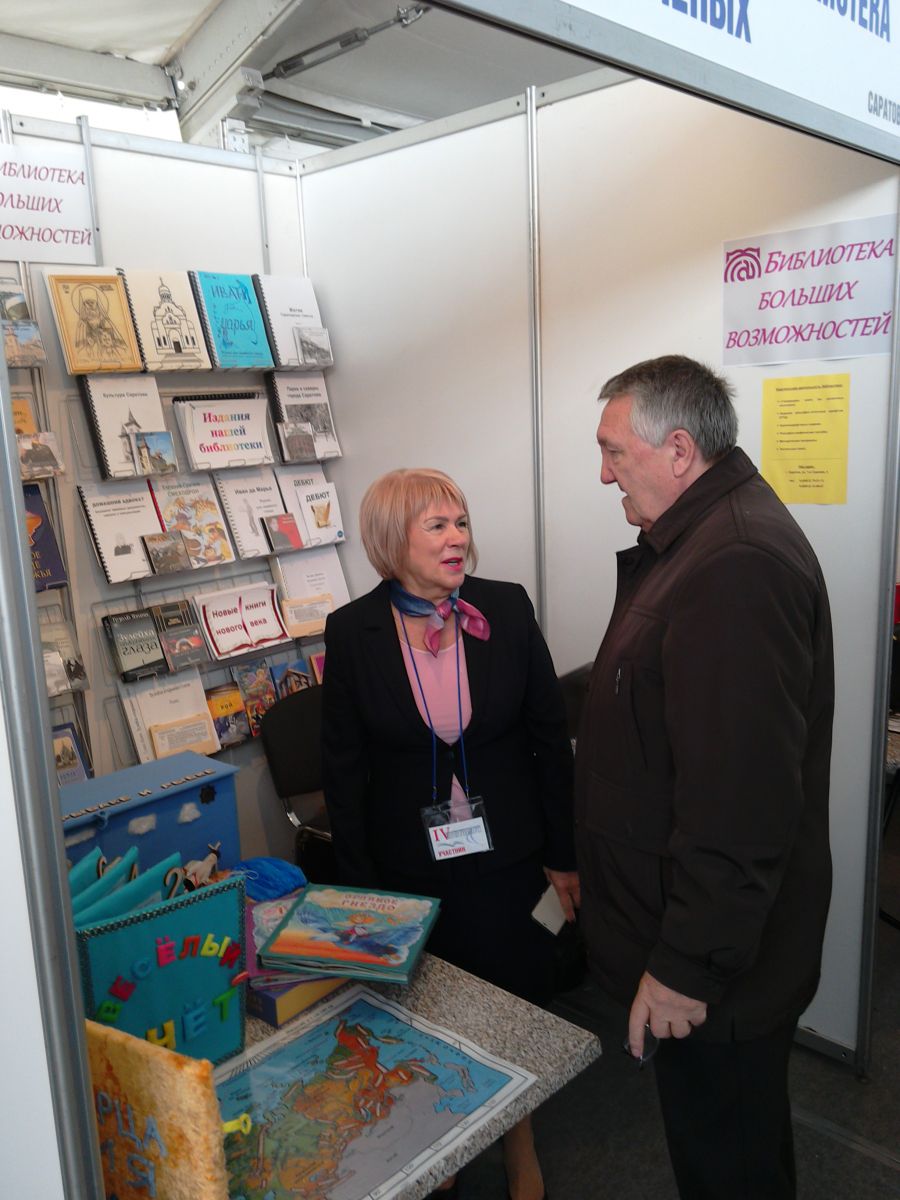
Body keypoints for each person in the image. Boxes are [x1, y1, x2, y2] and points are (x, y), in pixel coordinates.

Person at [576, 355, 834, 1199]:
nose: (604, 472)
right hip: (710, 952)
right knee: (738, 1149)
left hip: (717, 973)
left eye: (614, 450)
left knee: (730, 1166)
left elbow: (740, 807)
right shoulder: (699, 542)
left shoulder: (735, 564)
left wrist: (687, 966)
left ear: (679, 450)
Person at [322, 467, 579, 1200]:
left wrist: (564, 856)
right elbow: (344, 771)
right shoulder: (353, 631)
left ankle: (520, 1138)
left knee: (514, 1000)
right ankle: (447, 1140)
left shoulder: (505, 606)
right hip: (410, 864)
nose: (456, 537)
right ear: (390, 540)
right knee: (429, 1012)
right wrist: (364, 895)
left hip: (509, 855)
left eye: (461, 522)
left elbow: (549, 738)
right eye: (436, 525)